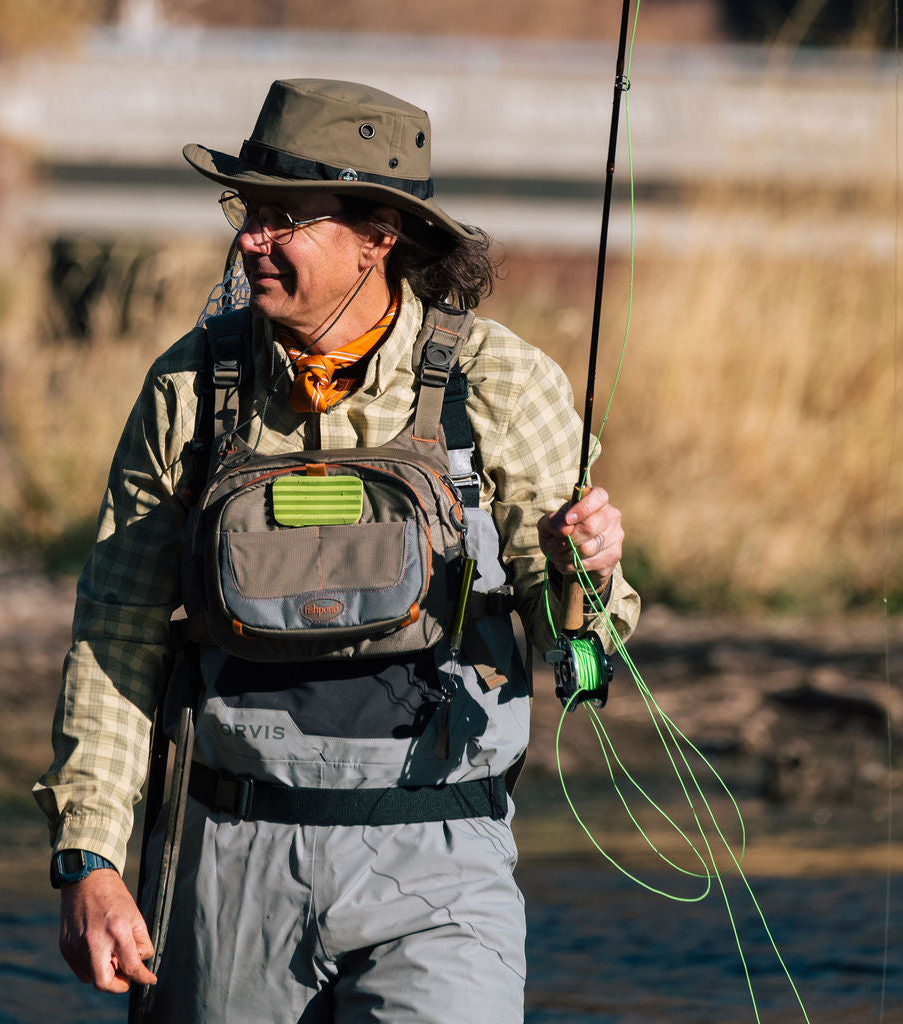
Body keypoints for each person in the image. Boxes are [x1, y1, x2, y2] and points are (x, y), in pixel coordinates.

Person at [34, 78, 640, 1023]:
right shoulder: (190, 388)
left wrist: (585, 570)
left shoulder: (501, 384)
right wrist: (91, 859)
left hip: (443, 858)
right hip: (226, 865)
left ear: (379, 236)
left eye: (284, 218)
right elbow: (118, 633)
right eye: (247, 211)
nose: (251, 239)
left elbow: (582, 649)